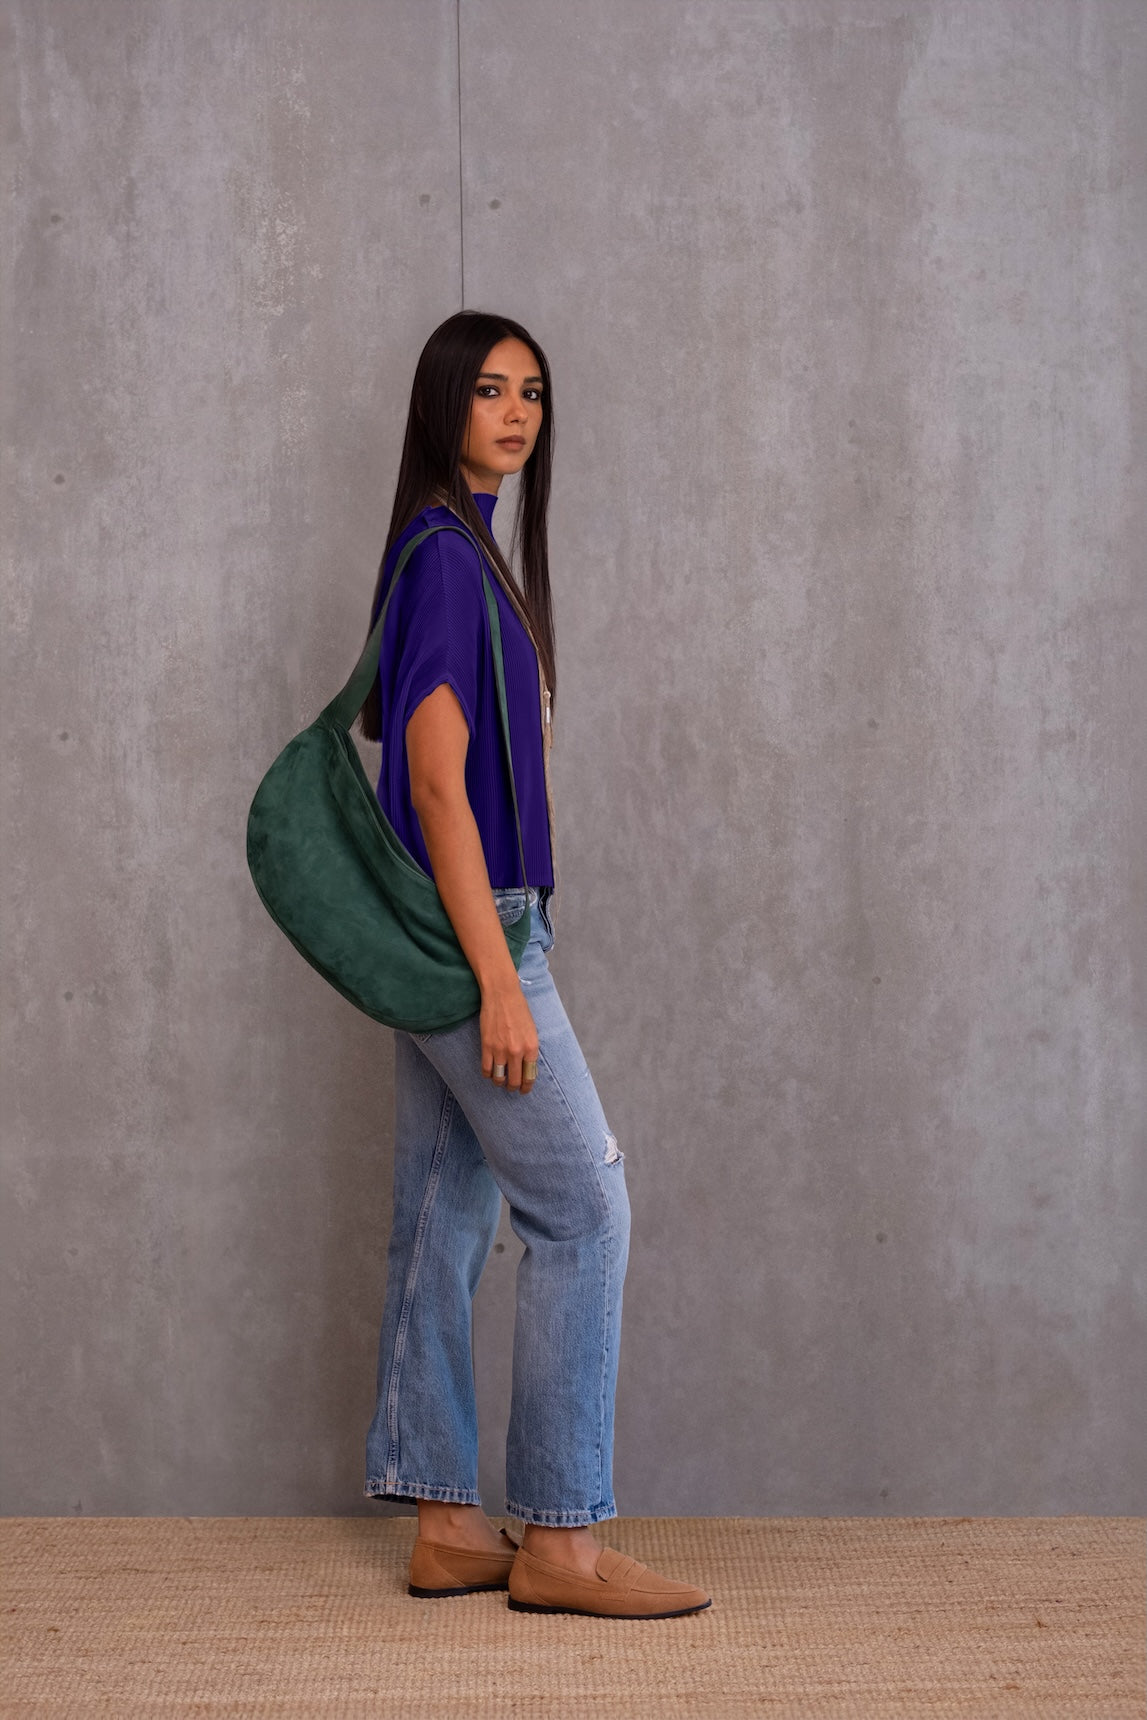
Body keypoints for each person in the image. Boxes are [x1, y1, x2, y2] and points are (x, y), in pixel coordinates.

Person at [359, 311, 710, 1620]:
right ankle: (560, 1544)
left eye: (534, 392)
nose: (516, 413)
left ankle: (446, 1523)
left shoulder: (446, 548)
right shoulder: (450, 562)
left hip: (433, 929)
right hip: (478, 933)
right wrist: (500, 978)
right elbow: (435, 785)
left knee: (443, 1213)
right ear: (443, 404)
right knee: (585, 1212)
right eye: (491, 390)